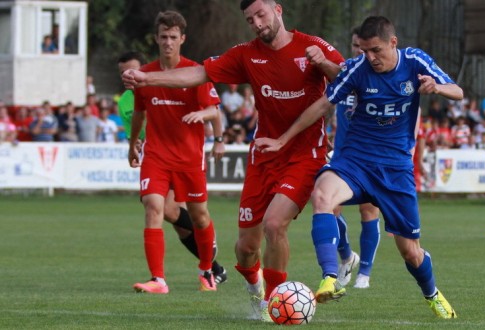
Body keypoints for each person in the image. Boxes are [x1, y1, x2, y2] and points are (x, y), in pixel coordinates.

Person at [122, 0, 344, 321]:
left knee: (274, 224)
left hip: (304, 155)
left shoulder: (312, 46)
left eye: (261, 14)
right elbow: (198, 73)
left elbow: (346, 79)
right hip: (263, 156)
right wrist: (147, 79)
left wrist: (323, 63)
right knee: (245, 248)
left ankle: (272, 303)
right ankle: (256, 290)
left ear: (277, 10)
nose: (256, 22)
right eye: (250, 19)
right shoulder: (245, 54)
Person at [254, 15, 462, 319]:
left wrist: (438, 88)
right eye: (364, 51)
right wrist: (283, 139)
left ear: (393, 42)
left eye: (375, 50)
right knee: (322, 195)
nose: (370, 58)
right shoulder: (356, 69)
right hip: (355, 161)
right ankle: (330, 278)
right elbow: (323, 104)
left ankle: (432, 294)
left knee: (411, 252)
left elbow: (458, 90)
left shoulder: (415, 61)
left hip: (395, 169)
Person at [128, 11, 222, 295]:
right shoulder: (147, 74)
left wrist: (202, 117)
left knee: (200, 216)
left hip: (189, 158)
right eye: (163, 37)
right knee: (153, 207)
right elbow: (139, 113)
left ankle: (207, 270)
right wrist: (132, 143)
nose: (167, 42)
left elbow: (214, 110)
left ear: (182, 39)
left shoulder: (195, 72)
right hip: (156, 155)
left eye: (173, 37)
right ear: (156, 38)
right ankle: (158, 280)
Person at [332, 27, 381, 290]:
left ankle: (365, 272)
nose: (360, 51)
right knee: (329, 206)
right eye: (355, 45)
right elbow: (328, 103)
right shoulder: (345, 73)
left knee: (368, 209)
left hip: (371, 156)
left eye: (365, 46)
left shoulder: (380, 77)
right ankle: (347, 256)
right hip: (342, 155)